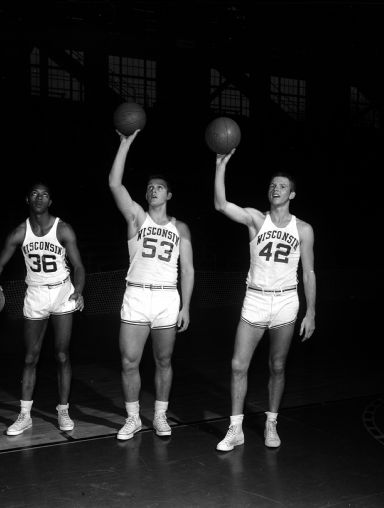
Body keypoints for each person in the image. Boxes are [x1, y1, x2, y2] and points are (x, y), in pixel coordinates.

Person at [213, 149, 316, 451]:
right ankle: (235, 429)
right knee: (237, 365)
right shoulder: (256, 220)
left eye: (282, 186)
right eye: (272, 185)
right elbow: (221, 205)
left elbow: (308, 273)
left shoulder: (304, 229)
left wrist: (311, 312)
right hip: (255, 299)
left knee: (278, 365)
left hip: (286, 302)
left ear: (292, 194)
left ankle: (271, 422)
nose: (276, 189)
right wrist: (220, 166)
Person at [0, 181, 86, 436]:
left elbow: (78, 266)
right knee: (30, 357)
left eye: (45, 194)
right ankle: (24, 415)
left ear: (50, 201)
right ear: (27, 199)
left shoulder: (63, 229)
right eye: (35, 194)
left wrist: (77, 291)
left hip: (61, 291)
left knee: (62, 355)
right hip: (35, 293)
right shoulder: (19, 232)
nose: (39, 198)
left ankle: (63, 409)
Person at [109, 128, 194, 440]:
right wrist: (125, 144)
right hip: (137, 295)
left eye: (160, 187)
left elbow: (188, 269)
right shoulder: (137, 218)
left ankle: (159, 415)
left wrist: (186, 305)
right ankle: (133, 418)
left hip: (166, 300)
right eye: (150, 187)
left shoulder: (180, 227)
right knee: (129, 361)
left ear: (169, 195)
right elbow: (114, 184)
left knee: (164, 360)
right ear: (146, 195)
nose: (154, 190)